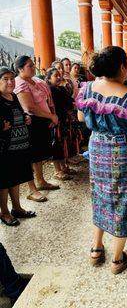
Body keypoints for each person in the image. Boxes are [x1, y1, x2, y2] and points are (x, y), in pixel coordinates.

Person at [76, 46, 127, 275]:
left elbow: (81, 117)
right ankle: (117, 259)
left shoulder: (86, 89)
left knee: (100, 195)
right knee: (124, 200)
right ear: (122, 67)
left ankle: (95, 249)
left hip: (98, 148)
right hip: (126, 152)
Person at [14, 56, 59, 202]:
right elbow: (30, 108)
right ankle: (31, 188)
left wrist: (51, 116)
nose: (34, 68)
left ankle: (41, 181)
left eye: (33, 65)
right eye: (30, 66)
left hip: (42, 121)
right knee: (31, 155)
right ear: (20, 69)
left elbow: (48, 100)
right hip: (30, 122)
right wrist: (50, 116)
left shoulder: (37, 81)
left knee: (39, 154)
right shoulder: (19, 83)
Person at [0, 67, 36, 226]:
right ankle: (4, 213)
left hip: (19, 146)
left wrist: (26, 118)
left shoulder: (13, 96)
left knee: (15, 178)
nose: (10, 82)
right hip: (4, 148)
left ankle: (17, 208)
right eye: (5, 79)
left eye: (12, 78)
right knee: (3, 182)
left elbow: (19, 113)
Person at [45, 67, 78, 180]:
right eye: (56, 76)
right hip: (55, 121)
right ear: (49, 78)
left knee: (63, 144)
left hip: (63, 120)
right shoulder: (49, 90)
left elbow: (70, 101)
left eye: (59, 75)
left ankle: (64, 166)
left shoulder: (61, 89)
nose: (59, 77)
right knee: (56, 145)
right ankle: (57, 170)